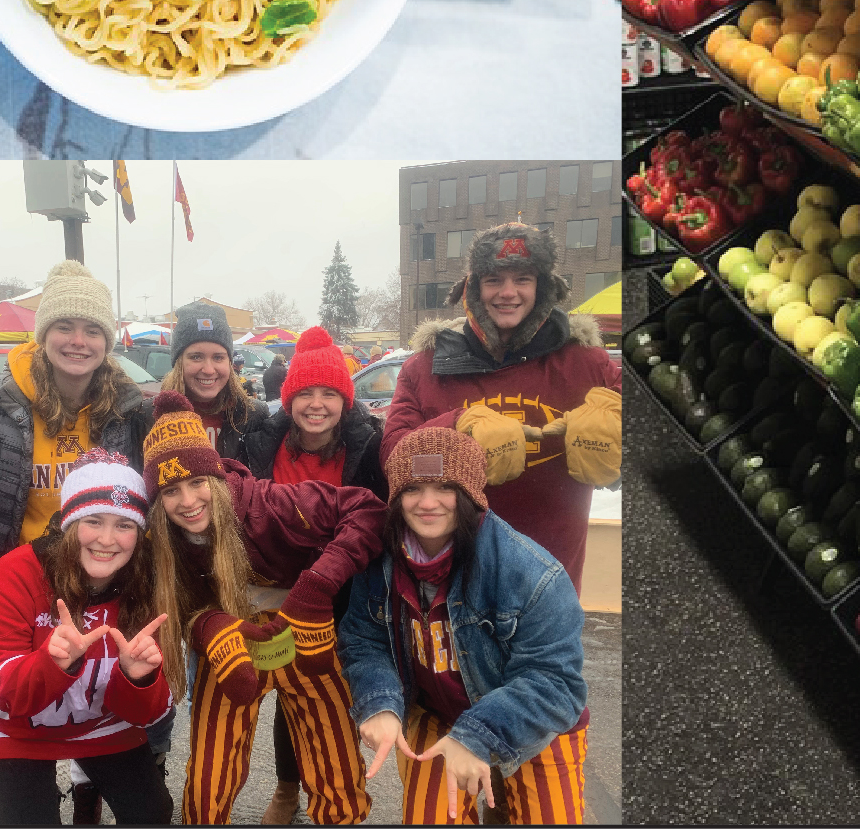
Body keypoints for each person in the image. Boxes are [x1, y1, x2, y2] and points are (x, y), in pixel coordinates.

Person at [0, 260, 156, 822]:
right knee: (25, 691)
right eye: (64, 326)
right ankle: (28, 792)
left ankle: (89, 788)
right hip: (17, 574)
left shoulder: (127, 405)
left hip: (102, 571)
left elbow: (136, 491)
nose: (78, 340)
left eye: (93, 329)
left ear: (107, 339)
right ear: (43, 333)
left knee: (98, 682)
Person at [142, 390, 385, 825]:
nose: (188, 501)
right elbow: (179, 608)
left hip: (300, 629)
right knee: (210, 771)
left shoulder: (268, 503)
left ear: (214, 478)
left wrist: (317, 586)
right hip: (232, 639)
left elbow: (367, 510)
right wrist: (211, 628)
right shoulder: (162, 543)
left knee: (337, 763)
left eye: (197, 482)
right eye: (171, 490)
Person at [340, 425, 589, 825]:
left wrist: (479, 735)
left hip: (535, 725)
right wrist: (380, 702)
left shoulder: (533, 573)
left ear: (471, 494)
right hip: (437, 715)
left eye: (444, 487)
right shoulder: (379, 560)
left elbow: (557, 682)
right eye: (413, 488)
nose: (427, 503)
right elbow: (363, 637)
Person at [382, 222, 621, 593]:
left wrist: (617, 427)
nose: (508, 293)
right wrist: (458, 426)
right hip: (455, 588)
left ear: (541, 287)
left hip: (551, 588)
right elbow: (393, 457)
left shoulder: (589, 364)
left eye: (522, 279)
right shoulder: (426, 367)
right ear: (474, 288)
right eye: (493, 280)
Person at [0, 451, 174, 825]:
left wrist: (139, 679)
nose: (107, 540)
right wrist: (52, 665)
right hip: (10, 728)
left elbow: (152, 713)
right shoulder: (17, 572)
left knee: (152, 813)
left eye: (125, 525)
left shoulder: (145, 579)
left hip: (99, 723)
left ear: (139, 534)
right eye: (93, 521)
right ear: (69, 523)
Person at [237, 326, 387, 824]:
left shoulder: (369, 445)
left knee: (332, 693)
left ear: (345, 399)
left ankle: (332, 788)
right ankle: (285, 788)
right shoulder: (261, 441)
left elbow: (380, 516)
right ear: (289, 397)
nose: (316, 404)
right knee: (287, 692)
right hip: (273, 595)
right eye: (305, 393)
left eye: (329, 393)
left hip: (342, 594)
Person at [163, 301, 271, 460]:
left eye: (218, 357)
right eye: (196, 357)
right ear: (179, 363)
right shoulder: (148, 417)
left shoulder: (253, 416)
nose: (208, 370)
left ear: (229, 362)